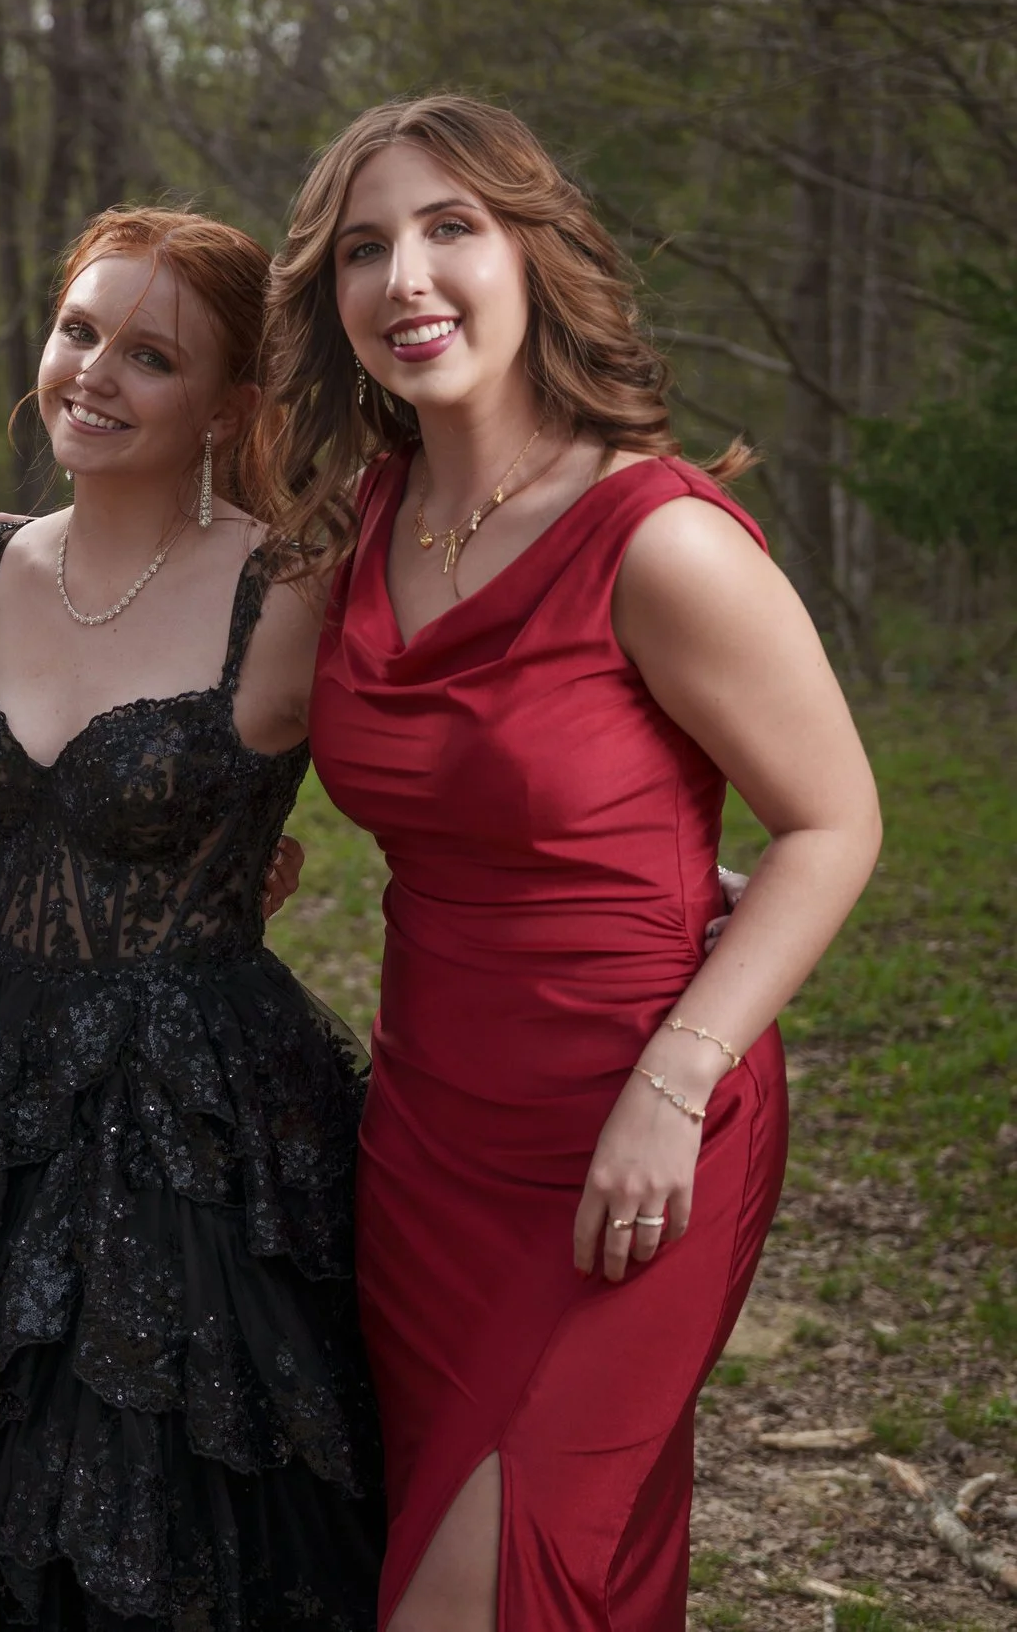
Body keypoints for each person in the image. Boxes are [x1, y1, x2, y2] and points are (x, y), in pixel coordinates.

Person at [270, 95, 881, 1630]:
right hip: (424, 1146)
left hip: (643, 1136)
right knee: (577, 1571)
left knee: (494, 1579)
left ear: (535, 257)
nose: (404, 278)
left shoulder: (657, 540)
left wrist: (673, 1082)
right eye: (364, 248)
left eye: (450, 229)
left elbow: (833, 822)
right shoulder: (366, 521)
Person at [0, 207, 382, 1632]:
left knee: (168, 1491)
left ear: (229, 406)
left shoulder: (288, 587)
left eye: (151, 355)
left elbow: (461, 769)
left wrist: (660, 885)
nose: (93, 371)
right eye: (80, 329)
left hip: (191, 1111)